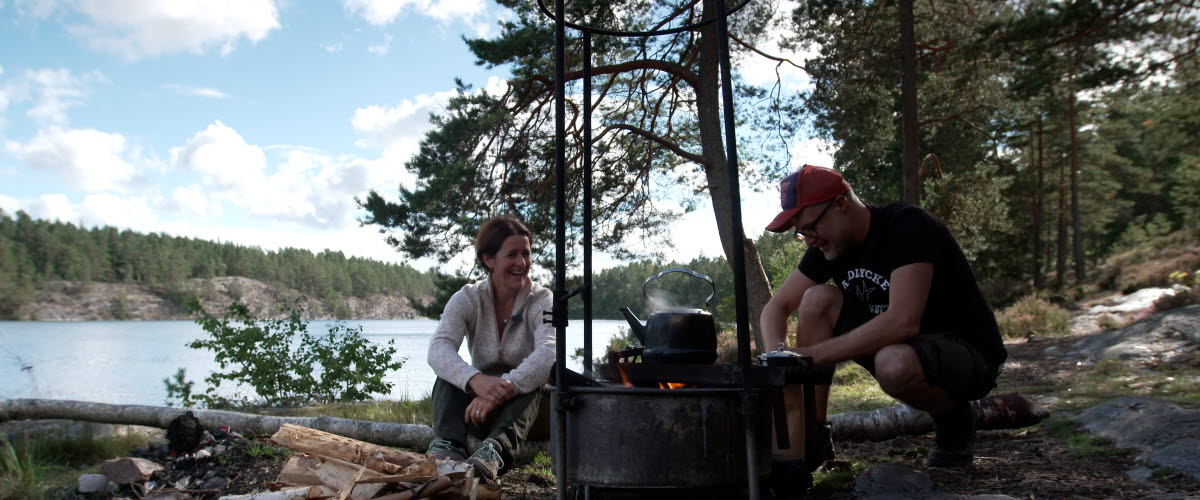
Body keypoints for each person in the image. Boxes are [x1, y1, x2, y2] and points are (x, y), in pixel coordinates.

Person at [759, 165, 1007, 489]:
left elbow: (903, 321)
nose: (809, 240)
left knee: (893, 362)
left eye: (810, 228)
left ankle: (954, 418)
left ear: (840, 204)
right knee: (816, 299)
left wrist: (806, 357)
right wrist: (777, 365)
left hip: (968, 353)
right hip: (901, 348)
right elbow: (774, 309)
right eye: (801, 233)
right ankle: (812, 436)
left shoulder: (907, 226)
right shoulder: (828, 245)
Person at [425, 216, 555, 482]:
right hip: (481, 411)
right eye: (512, 255)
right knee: (448, 375)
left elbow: (549, 353)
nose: (522, 263)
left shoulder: (542, 299)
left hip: (530, 416)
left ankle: (495, 454)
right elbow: (438, 348)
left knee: (534, 383)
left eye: (526, 254)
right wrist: (475, 380)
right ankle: (448, 449)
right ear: (488, 260)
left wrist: (500, 389)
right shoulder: (467, 298)